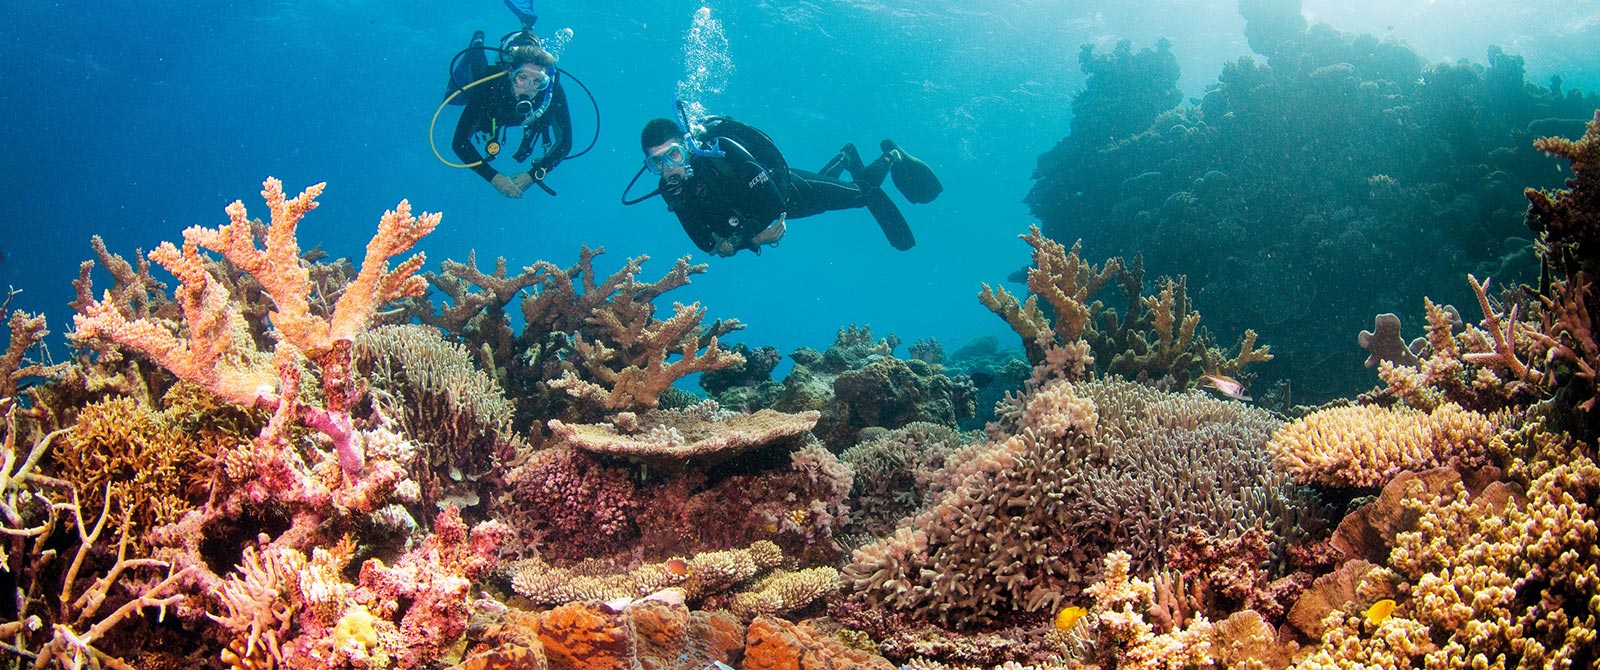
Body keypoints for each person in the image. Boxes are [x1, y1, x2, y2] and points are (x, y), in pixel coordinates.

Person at [632, 115, 942, 257]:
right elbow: (705, 244)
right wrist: (741, 241)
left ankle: (892, 155)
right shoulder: (672, 190)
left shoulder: (721, 149)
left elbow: (772, 203)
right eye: (656, 163)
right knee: (830, 195)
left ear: (686, 146)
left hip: (791, 190)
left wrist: (741, 239)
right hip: (774, 213)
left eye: (673, 154)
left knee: (861, 194)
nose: (668, 168)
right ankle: (846, 157)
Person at [447, 28, 573, 198]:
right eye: (522, 78)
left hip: (521, 117)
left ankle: (528, 29)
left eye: (538, 81)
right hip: (493, 107)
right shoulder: (489, 86)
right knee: (477, 67)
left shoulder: (552, 91)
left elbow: (565, 142)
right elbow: (460, 142)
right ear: (510, 73)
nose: (528, 87)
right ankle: (478, 41)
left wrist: (533, 175)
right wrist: (494, 177)